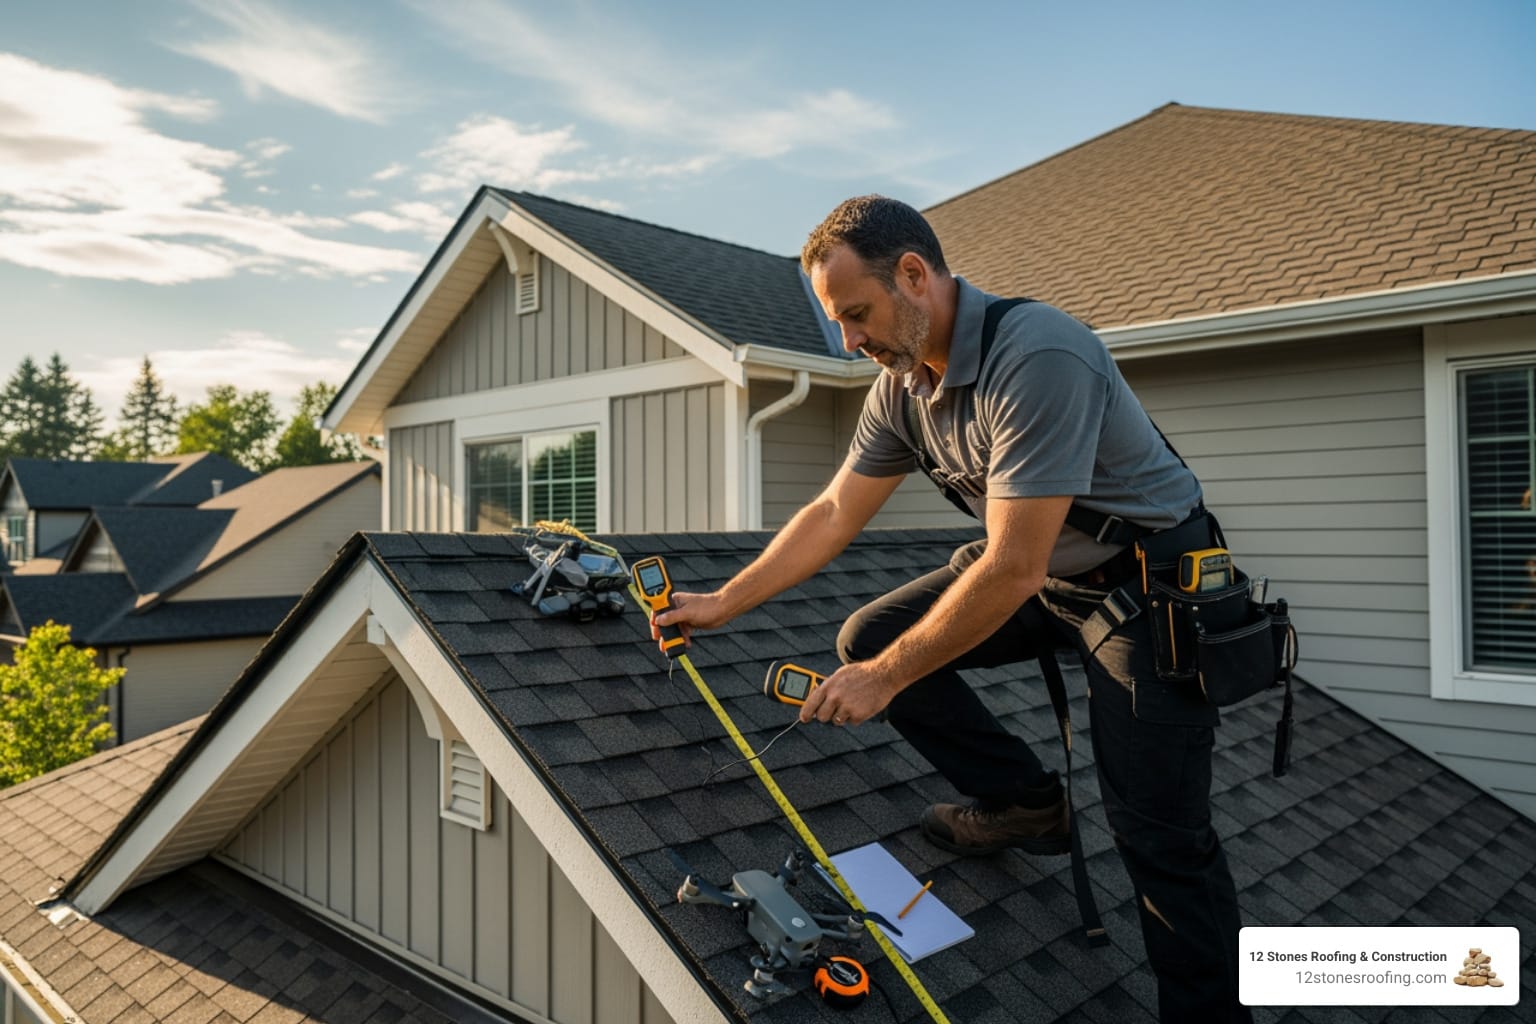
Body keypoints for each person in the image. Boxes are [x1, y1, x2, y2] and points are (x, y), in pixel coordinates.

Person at [656, 195, 1250, 1022]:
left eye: (856, 314)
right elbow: (833, 513)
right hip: (1055, 579)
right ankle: (1028, 808)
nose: (848, 341)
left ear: (914, 275)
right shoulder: (904, 384)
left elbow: (1010, 567)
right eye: (838, 323)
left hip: (1151, 590)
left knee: (1158, 834)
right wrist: (726, 598)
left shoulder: (1039, 354)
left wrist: (881, 682)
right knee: (874, 633)